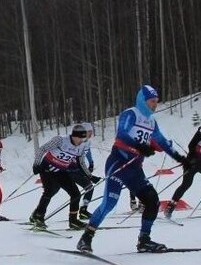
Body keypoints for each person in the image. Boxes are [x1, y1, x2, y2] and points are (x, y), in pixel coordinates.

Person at [77, 85, 186, 254]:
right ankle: (86, 238)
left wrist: (180, 158)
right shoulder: (131, 113)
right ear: (143, 101)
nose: (155, 105)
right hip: (118, 164)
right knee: (109, 204)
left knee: (152, 201)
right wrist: (141, 146)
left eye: (157, 102)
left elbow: (162, 142)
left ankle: (144, 240)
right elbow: (122, 134)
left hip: (135, 170)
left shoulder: (151, 121)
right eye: (152, 101)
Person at [28, 125, 91, 230]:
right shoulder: (60, 140)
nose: (81, 141)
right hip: (47, 168)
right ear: (74, 136)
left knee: (75, 194)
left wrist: (89, 175)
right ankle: (38, 216)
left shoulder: (82, 146)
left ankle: (73, 221)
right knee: (49, 191)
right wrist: (36, 164)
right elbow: (42, 149)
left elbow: (81, 162)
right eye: (80, 138)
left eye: (83, 139)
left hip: (61, 171)